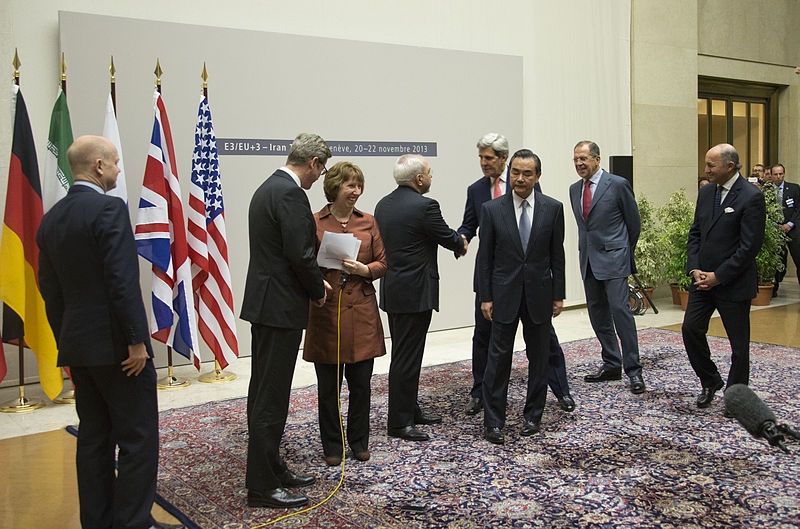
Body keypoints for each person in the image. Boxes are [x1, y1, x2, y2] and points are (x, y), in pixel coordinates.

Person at [37, 136, 181, 529]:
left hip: (79, 347)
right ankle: (135, 523)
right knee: (137, 440)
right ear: (99, 166)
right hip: (120, 351)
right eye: (115, 163)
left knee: (94, 439)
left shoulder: (51, 219)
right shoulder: (108, 208)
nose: (119, 170)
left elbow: (48, 289)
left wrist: (68, 339)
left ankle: (97, 522)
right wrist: (137, 341)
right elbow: (121, 280)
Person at [240, 133, 332, 509]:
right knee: (271, 397)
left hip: (264, 304)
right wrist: (318, 290)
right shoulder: (292, 194)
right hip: (280, 308)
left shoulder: (267, 187)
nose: (318, 178)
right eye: (320, 170)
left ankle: (272, 466)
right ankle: (261, 487)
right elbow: (301, 253)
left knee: (262, 389)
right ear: (312, 163)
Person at [458, 133, 574, 416]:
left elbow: (545, 238)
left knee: (544, 341)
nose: (484, 163)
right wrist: (460, 239)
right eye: (481, 158)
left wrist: (558, 292)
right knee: (486, 339)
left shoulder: (534, 189)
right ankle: (480, 393)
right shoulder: (476, 191)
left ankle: (560, 390)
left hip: (532, 282)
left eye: (488, 158)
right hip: (494, 278)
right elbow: (469, 225)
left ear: (502, 159)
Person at [375, 154, 466, 442]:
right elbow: (448, 238)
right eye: (429, 173)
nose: (430, 177)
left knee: (405, 354)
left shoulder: (383, 204)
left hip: (393, 290)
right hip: (415, 293)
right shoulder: (426, 206)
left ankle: (409, 409)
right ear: (418, 179)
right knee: (407, 357)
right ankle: (400, 422)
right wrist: (461, 241)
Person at [477, 149, 565, 444]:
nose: (520, 178)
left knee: (539, 358)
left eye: (527, 173)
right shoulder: (491, 210)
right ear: (509, 173)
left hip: (540, 295)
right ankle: (493, 422)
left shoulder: (553, 208)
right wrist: (485, 296)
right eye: (515, 172)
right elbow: (484, 259)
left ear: (537, 176)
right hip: (503, 296)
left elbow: (558, 255)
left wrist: (559, 295)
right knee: (498, 359)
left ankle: (532, 416)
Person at [303, 161, 387, 466]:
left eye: (358, 185)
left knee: (361, 386)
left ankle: (359, 442)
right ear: (334, 187)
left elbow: (382, 262)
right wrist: (316, 278)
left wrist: (365, 269)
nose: (356, 191)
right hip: (327, 312)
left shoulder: (369, 222)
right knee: (329, 389)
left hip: (362, 313)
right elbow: (303, 262)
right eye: (350, 185)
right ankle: (333, 447)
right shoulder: (314, 222)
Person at [682, 143, 765, 411]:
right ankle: (710, 381)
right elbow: (695, 234)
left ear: (730, 166)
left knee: (738, 346)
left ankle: (736, 397)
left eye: (711, 166)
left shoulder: (751, 196)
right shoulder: (706, 193)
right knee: (690, 329)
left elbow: (749, 247)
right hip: (702, 281)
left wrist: (719, 276)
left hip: (733, 282)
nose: (706, 170)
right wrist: (695, 269)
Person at [569, 140, 645, 394]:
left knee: (620, 313)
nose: (580, 164)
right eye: (576, 159)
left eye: (584, 159)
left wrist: (622, 252)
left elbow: (633, 224)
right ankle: (611, 363)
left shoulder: (618, 184)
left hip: (614, 259)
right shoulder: (573, 189)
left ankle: (633, 369)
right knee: (598, 314)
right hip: (589, 261)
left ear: (597, 159)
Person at [770, 163, 800, 296]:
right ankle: (774, 287)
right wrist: (776, 226)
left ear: (784, 174)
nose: (778, 177)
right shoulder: (767, 191)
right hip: (776, 230)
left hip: (792, 229)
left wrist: (790, 224)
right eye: (775, 174)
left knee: (798, 257)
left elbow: (798, 209)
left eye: (781, 174)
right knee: (778, 260)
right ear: (771, 175)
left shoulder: (794, 188)